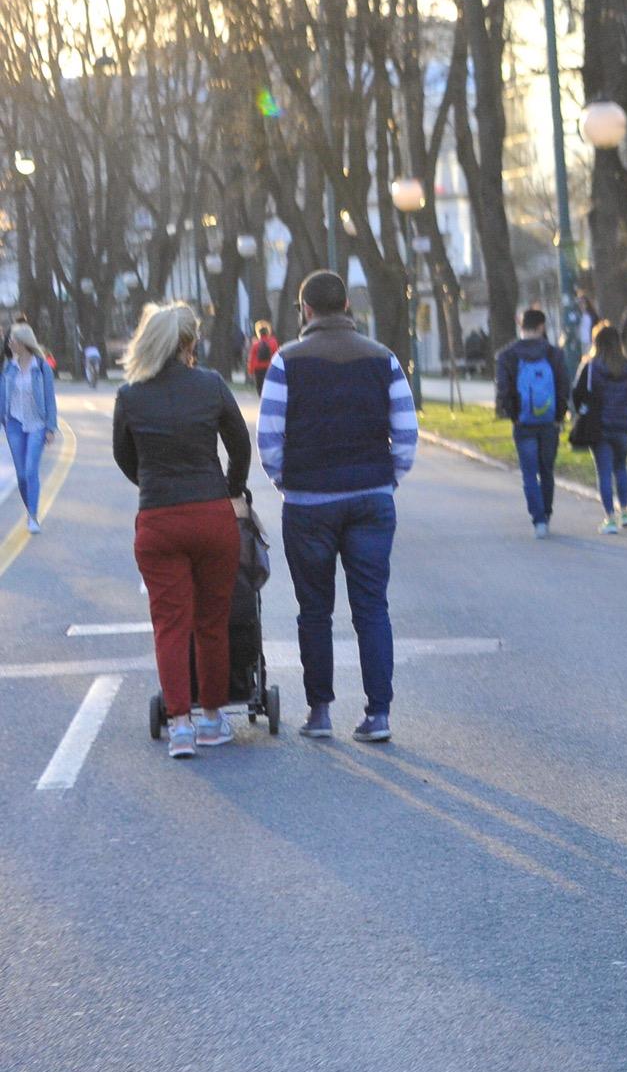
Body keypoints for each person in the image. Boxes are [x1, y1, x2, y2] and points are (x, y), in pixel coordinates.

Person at [258, 270, 416, 743]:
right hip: (370, 498)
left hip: (309, 504)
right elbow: (406, 432)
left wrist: (287, 481)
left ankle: (320, 711)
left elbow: (269, 438)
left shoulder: (286, 361)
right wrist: (388, 479)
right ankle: (379, 714)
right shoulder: (382, 358)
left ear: (305, 310)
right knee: (372, 607)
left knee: (314, 609)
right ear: (346, 304)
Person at [111, 303, 252, 759]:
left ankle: (180, 726)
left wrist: (151, 484)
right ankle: (213, 718)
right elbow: (239, 444)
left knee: (170, 624)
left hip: (158, 521)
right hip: (212, 515)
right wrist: (229, 488)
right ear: (189, 343)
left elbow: (123, 456)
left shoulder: (130, 395)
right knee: (212, 622)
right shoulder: (210, 385)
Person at [495, 307, 571, 538]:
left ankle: (538, 520)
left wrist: (514, 414)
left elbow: (503, 390)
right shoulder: (554, 354)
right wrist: (559, 415)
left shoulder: (507, 355)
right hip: (549, 422)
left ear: (522, 326)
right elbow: (563, 387)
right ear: (541, 327)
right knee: (546, 470)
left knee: (529, 473)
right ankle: (546, 513)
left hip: (523, 423)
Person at [570, 322, 627, 534]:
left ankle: (610, 519)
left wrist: (582, 410)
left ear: (596, 342)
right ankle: (625, 513)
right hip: (622, 427)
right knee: (621, 469)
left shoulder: (591, 367)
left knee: (604, 472)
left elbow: (576, 394)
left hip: (599, 427)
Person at [4, 323, 61, 535]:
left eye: (13, 340)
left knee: (30, 470)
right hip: (15, 424)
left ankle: (33, 516)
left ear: (23, 342)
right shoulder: (9, 367)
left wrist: (50, 427)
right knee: (20, 475)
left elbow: (49, 398)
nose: (9, 343)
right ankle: (30, 508)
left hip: (37, 424)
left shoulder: (41, 366)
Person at [246, 321, 279, 395]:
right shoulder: (273, 342)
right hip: (270, 368)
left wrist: (250, 371)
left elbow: (251, 359)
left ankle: (262, 400)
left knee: (260, 387)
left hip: (258, 370)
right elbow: (276, 356)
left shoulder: (256, 344)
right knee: (270, 387)